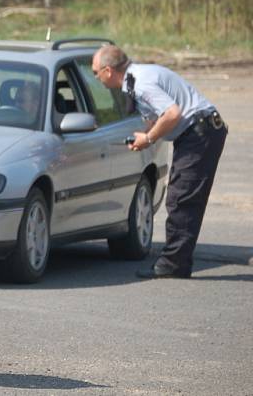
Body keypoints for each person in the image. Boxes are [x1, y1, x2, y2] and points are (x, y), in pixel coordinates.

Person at [91, 45, 227, 279]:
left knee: (181, 199)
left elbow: (172, 114)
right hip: (197, 132)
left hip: (200, 132)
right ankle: (178, 261)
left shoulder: (141, 83)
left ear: (108, 71)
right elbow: (157, 115)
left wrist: (150, 138)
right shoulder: (136, 80)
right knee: (183, 197)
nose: (95, 77)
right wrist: (143, 136)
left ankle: (174, 264)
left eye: (96, 72)